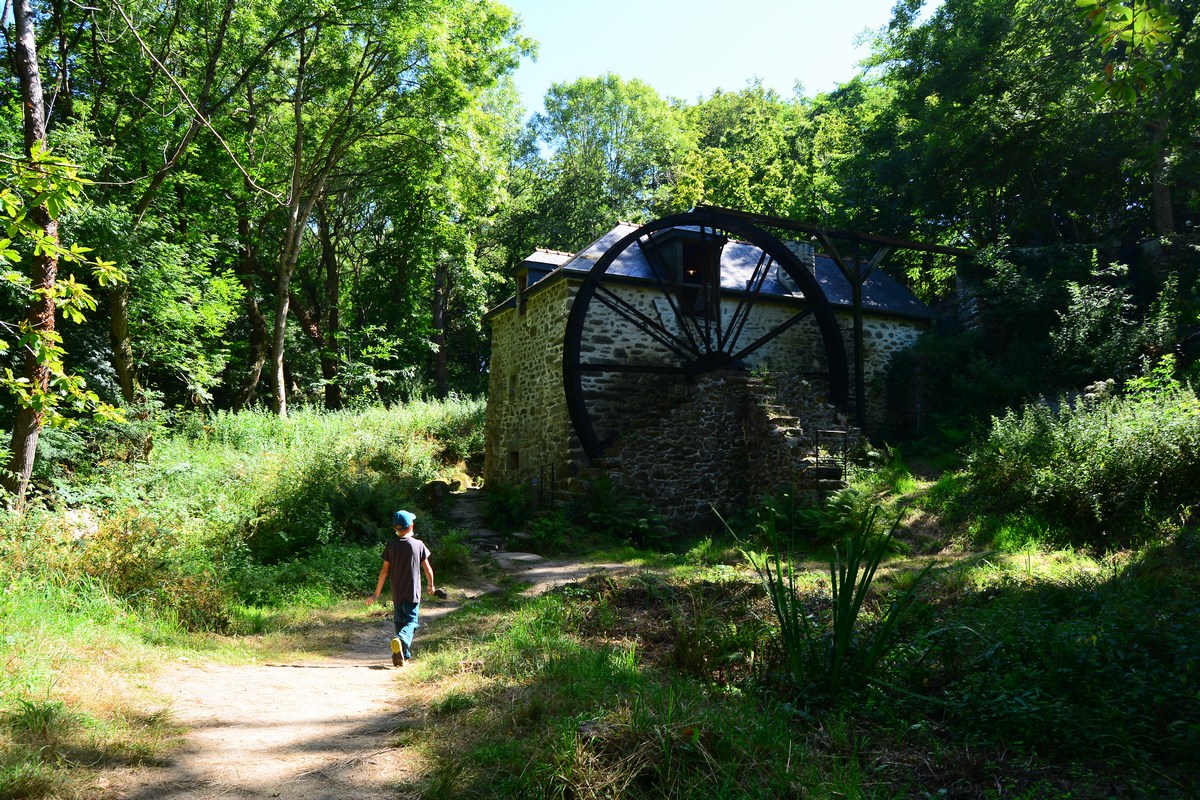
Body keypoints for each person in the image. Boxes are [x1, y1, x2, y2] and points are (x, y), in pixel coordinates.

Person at [367, 510, 435, 667]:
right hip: (413, 594)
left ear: (394, 529)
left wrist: (376, 594)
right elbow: (427, 568)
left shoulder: (391, 546)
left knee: (399, 622)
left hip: (396, 594)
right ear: (411, 525)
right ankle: (402, 639)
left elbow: (384, 571)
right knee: (411, 622)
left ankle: (403, 656)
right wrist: (431, 584)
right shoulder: (418, 545)